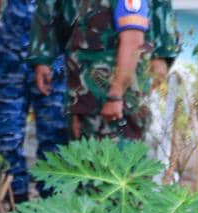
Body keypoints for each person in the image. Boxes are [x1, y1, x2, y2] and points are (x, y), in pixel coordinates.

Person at [31, 0, 154, 143]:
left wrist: (115, 95)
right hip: (85, 103)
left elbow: (133, 42)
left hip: (114, 107)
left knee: (116, 162)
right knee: (84, 162)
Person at [0, 0, 67, 203]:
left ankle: (53, 208)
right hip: (9, 58)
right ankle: (15, 202)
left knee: (55, 138)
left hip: (54, 59)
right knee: (6, 136)